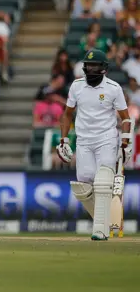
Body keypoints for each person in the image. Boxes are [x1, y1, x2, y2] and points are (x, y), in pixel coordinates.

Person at [56, 49, 132, 240]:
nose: (90, 69)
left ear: (103, 69)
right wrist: (64, 139)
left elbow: (126, 119)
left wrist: (125, 143)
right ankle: (107, 220)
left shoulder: (113, 88)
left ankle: (100, 230)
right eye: (88, 65)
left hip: (106, 139)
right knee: (83, 185)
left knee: (102, 181)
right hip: (83, 140)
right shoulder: (77, 86)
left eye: (95, 66)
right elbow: (67, 114)